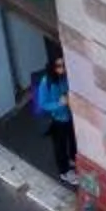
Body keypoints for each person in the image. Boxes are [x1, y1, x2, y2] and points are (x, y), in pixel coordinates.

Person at [29, 44, 76, 180]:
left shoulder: (65, 77)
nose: (62, 69)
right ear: (53, 67)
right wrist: (59, 104)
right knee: (60, 146)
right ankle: (64, 171)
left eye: (63, 65)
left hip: (69, 116)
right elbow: (43, 104)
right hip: (57, 119)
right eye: (59, 66)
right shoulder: (47, 82)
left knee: (72, 140)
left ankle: (72, 159)